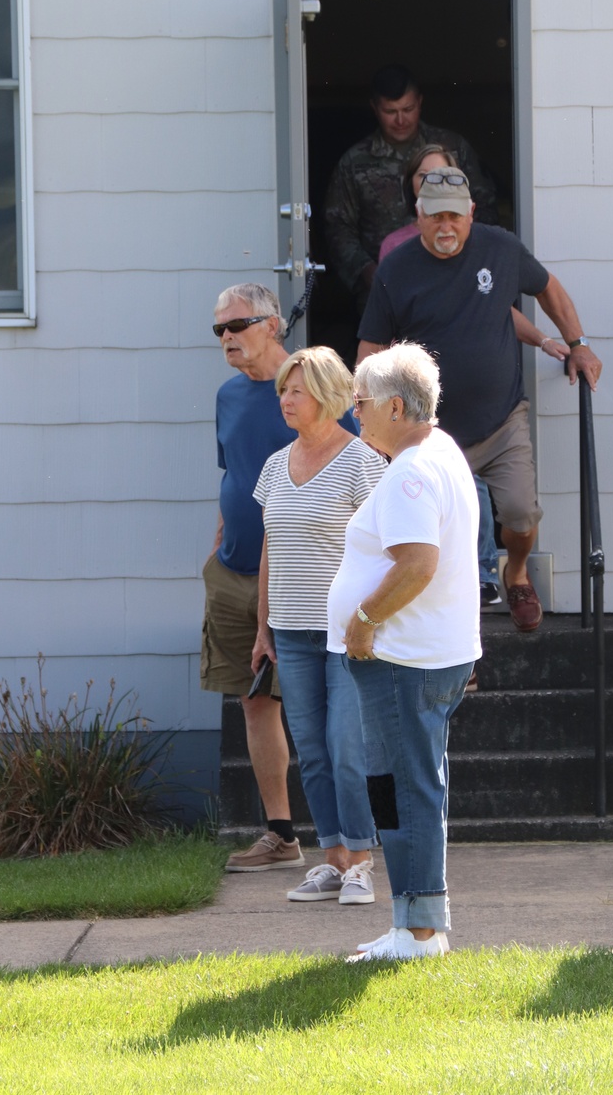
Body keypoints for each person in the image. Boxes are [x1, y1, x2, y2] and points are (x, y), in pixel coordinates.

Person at [357, 168, 601, 633]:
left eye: (455, 216)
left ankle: (516, 572)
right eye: (434, 217)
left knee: (521, 514)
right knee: (435, 532)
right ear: (418, 216)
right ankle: (447, 620)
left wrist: (578, 343)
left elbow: (547, 288)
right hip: (428, 433)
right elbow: (370, 350)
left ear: (472, 214)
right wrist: (369, 418)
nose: (445, 226)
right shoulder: (396, 270)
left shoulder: (501, 249)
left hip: (502, 421)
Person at [326, 342, 480, 961]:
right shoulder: (437, 454)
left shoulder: (412, 470)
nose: (353, 414)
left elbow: (417, 565)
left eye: (359, 402)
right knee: (409, 786)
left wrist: (363, 620)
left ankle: (416, 933)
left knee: (404, 789)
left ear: (395, 405)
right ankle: (414, 924)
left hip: (402, 660)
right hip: (421, 657)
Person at [203, 283, 355, 873]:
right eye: (218, 330)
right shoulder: (227, 397)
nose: (226, 339)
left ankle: (352, 845)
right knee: (253, 703)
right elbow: (234, 473)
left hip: (307, 590)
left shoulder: (314, 397)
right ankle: (281, 834)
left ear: (273, 325)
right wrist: (223, 527)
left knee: (330, 728)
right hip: (236, 571)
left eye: (236, 325)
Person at [251, 347, 386, 906]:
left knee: (347, 747)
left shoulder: (363, 464)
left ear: (328, 396)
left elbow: (386, 552)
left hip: (346, 635)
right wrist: (263, 628)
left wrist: (373, 621)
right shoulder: (274, 465)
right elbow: (270, 549)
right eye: (283, 389)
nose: (284, 399)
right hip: (291, 634)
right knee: (311, 748)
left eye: (295, 390)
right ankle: (331, 859)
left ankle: (362, 861)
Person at [324, 63, 498, 306]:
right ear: (374, 108)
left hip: (454, 279)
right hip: (383, 288)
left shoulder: (452, 148)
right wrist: (366, 271)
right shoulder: (354, 162)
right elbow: (338, 227)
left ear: (420, 102)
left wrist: (468, 256)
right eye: (390, 111)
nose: (400, 120)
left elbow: (485, 207)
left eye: (408, 109)